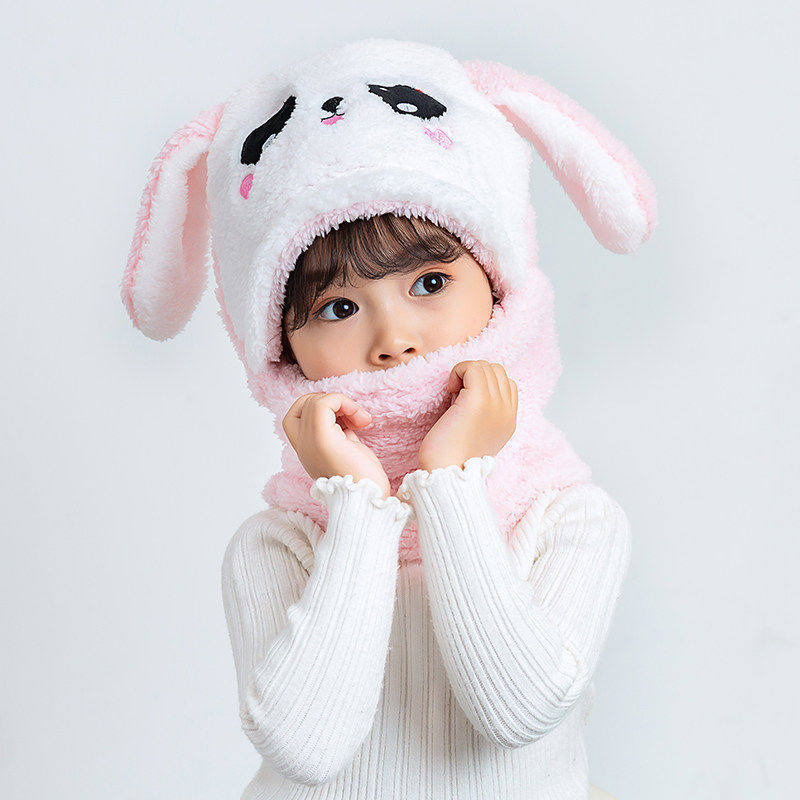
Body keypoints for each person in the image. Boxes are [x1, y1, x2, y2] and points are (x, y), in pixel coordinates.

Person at [120, 38, 657, 799]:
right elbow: (306, 746)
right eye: (338, 307)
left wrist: (448, 481)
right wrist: (360, 506)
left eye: (430, 282)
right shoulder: (281, 542)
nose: (395, 338)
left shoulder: (568, 517)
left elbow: (518, 710)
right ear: (280, 348)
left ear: (498, 283)